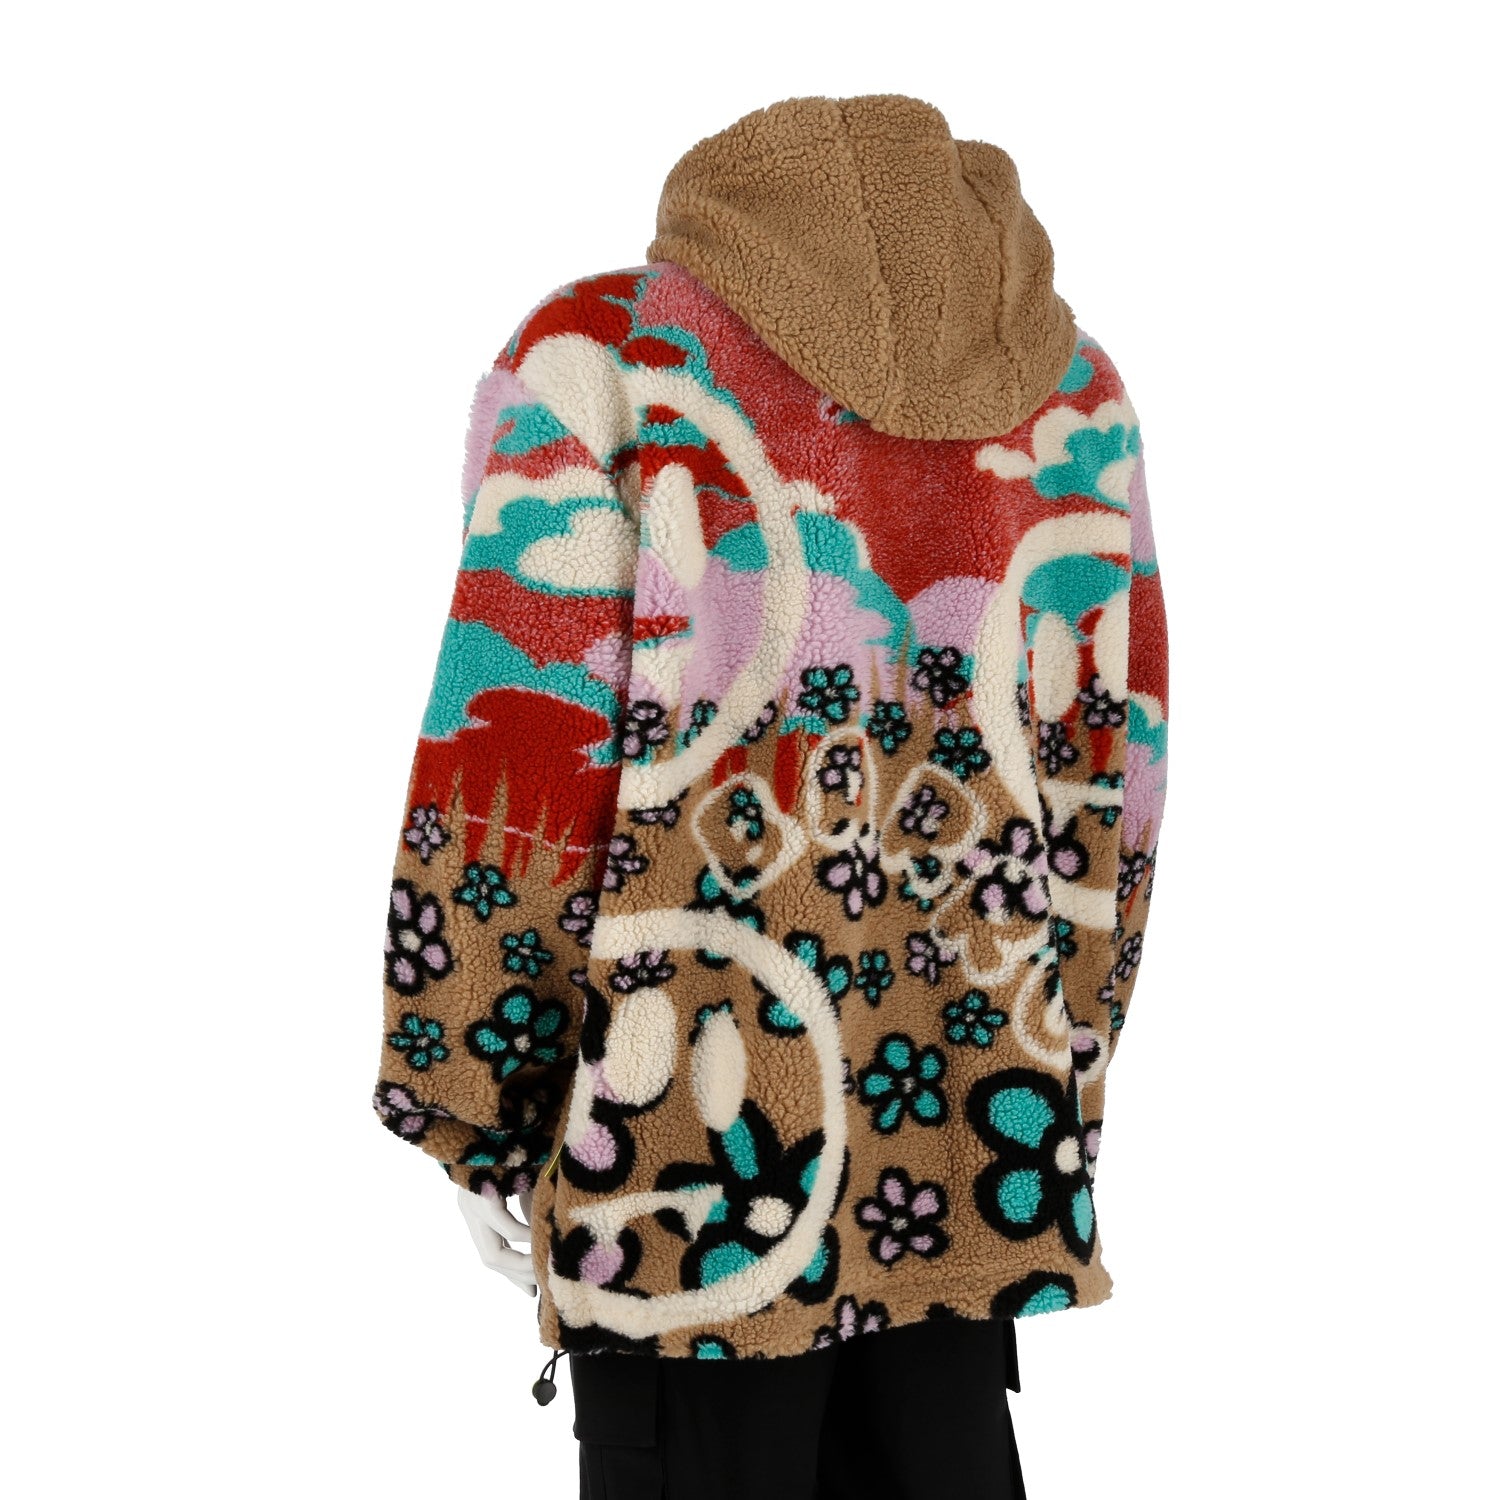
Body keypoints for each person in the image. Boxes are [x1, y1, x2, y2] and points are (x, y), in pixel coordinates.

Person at [373, 91, 1170, 1499]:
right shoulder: (1074, 391)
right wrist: (1061, 1063)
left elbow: (517, 761)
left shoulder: (604, 357)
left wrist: (478, 1104)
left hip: (682, 1160)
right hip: (969, 1140)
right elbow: (1119, 775)